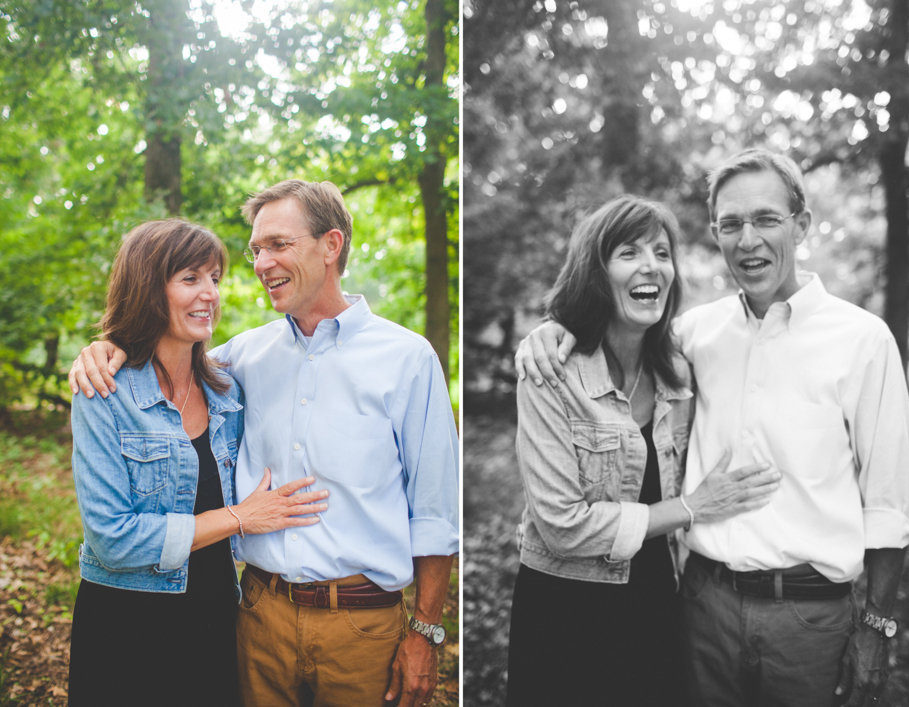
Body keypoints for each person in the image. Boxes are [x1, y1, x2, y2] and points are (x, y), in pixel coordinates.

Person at [515, 148, 909, 707]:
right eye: (731, 224)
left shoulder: (865, 342)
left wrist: (877, 626)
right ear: (717, 235)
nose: (748, 239)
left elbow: (890, 504)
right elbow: (613, 325)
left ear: (801, 225)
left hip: (810, 616)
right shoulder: (692, 337)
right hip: (701, 605)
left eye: (766, 219)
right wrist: (551, 331)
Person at [69, 180, 459, 707]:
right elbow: (161, 346)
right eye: (255, 250)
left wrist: (426, 631)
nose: (260, 262)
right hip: (256, 619)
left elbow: (436, 510)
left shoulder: (408, 359)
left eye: (278, 244)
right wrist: (105, 346)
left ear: (330, 244)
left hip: (362, 628)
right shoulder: (243, 358)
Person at [506, 194, 781, 707]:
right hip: (566, 606)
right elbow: (561, 524)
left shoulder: (679, 370)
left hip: (656, 597)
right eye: (628, 252)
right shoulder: (550, 373)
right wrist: (692, 508)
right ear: (596, 271)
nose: (651, 265)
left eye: (661, 252)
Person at [68, 220, 328, 707]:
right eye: (190, 279)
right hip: (127, 622)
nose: (210, 294)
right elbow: (111, 537)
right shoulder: (105, 392)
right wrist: (237, 518)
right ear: (147, 288)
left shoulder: (228, 387)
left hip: (215, 613)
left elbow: (311, 364)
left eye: (215, 278)